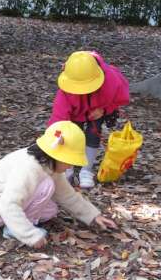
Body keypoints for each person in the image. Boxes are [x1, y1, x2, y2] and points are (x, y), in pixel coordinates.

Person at [0, 121, 116, 249]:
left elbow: (67, 196)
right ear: (56, 157)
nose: (70, 166)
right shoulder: (29, 168)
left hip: (0, 205)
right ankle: (14, 230)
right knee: (47, 186)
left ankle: (19, 223)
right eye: (69, 161)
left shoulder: (48, 165)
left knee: (51, 209)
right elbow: (8, 205)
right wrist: (30, 235)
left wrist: (93, 216)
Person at [48, 51, 129, 188]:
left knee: (93, 132)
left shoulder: (111, 79)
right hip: (76, 113)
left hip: (98, 109)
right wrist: (57, 135)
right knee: (71, 133)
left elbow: (121, 97)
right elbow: (58, 120)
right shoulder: (65, 92)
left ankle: (86, 170)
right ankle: (67, 168)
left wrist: (104, 110)